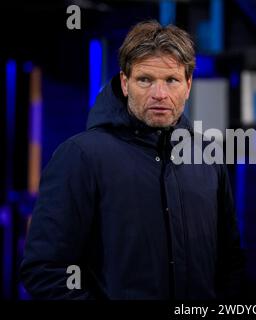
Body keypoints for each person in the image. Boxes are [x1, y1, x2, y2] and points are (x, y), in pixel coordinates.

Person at [20, 20, 244, 300]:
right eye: (145, 79)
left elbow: (230, 262)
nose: (159, 94)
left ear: (187, 85)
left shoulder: (208, 157)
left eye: (171, 80)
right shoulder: (80, 156)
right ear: (125, 83)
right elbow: (44, 270)